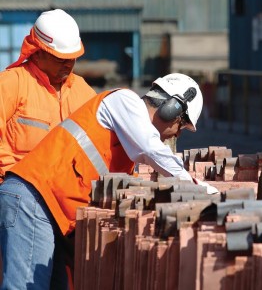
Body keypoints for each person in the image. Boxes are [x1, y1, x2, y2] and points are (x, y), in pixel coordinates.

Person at [0, 72, 218, 289]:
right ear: (172, 109)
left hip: (48, 209)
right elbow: (151, 149)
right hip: (33, 198)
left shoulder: (128, 140)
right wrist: (203, 190)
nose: (177, 135)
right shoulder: (124, 101)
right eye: (181, 125)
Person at [0, 8, 96, 182]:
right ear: (37, 53)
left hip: (67, 193)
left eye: (73, 58)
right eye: (61, 59)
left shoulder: (84, 93)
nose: (68, 64)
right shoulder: (11, 84)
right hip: (15, 191)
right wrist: (11, 180)